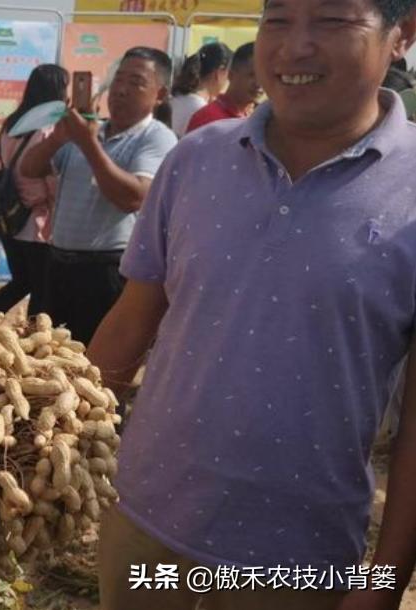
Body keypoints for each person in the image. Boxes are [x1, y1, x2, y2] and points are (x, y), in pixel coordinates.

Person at [86, 0, 416, 608]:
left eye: (333, 21)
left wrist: (386, 580)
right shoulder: (195, 159)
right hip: (146, 522)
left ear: (402, 35)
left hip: (298, 556)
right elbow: (131, 321)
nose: (295, 46)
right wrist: (54, 446)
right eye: (278, 20)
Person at [20, 47, 177, 345]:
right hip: (59, 265)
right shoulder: (92, 129)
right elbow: (29, 169)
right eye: (118, 79)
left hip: (107, 273)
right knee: (50, 359)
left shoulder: (156, 137)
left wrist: (89, 145)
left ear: (160, 94)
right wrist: (58, 138)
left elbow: (132, 198)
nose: (121, 90)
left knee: (94, 367)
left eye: (136, 82)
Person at [0, 64, 68, 316]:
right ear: (57, 91)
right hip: (36, 222)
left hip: (8, 216)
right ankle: (33, 338)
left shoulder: (11, 125)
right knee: (42, 288)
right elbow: (51, 181)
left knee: (22, 281)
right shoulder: (48, 130)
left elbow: (1, 166)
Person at [185, 42, 263, 133]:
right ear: (231, 75)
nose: (259, 84)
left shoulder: (260, 121)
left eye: (265, 77)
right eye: (252, 75)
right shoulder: (208, 119)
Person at [168, 42, 233, 137]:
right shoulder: (203, 111)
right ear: (219, 73)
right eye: (229, 74)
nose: (228, 80)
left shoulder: (174, 99)